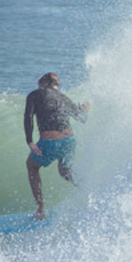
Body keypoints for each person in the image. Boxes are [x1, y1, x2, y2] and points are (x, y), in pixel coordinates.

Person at [24, 72, 89, 220]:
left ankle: (40, 210)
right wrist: (84, 111)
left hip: (50, 143)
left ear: (44, 83)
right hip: (69, 141)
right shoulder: (63, 97)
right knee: (65, 171)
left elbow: (28, 117)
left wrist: (30, 141)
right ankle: (89, 187)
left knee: (32, 166)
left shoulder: (35, 94)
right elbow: (81, 118)